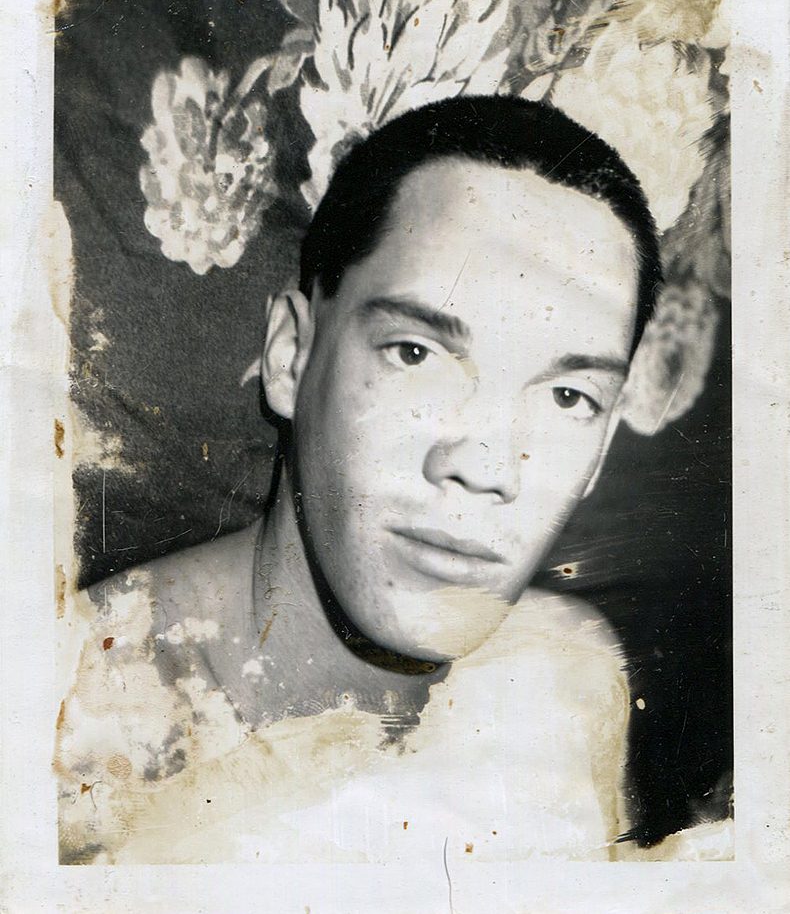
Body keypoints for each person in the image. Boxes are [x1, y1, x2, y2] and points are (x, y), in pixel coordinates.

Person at [56, 94, 663, 864]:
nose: (484, 467)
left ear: (602, 450)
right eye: (416, 353)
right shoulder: (68, 732)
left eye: (569, 397)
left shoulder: (568, 673)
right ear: (289, 357)